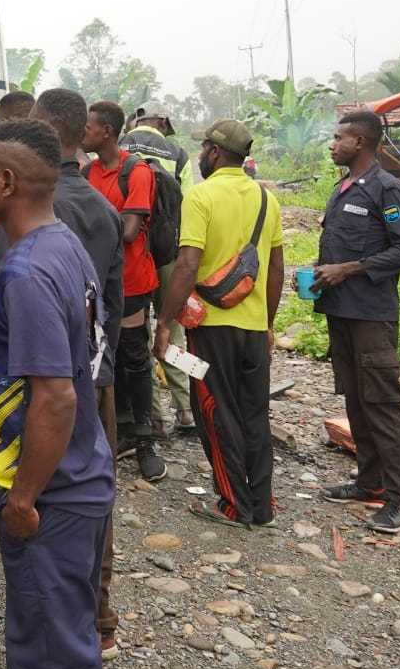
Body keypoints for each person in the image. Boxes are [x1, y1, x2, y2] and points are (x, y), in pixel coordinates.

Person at [0, 119, 115, 669]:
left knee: (58, 641)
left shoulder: (28, 271)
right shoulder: (62, 244)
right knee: (42, 625)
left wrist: (24, 496)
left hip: (52, 490)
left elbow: (55, 397)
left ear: (5, 182)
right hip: (74, 474)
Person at [30, 89, 127, 660]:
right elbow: (110, 305)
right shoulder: (101, 208)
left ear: (43, 129)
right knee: (96, 495)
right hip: (96, 376)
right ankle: (100, 616)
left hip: (46, 383)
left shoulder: (36, 210)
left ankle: (60, 627)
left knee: (39, 495)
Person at [153, 120, 286, 528]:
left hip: (211, 328)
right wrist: (267, 323)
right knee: (254, 413)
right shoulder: (267, 200)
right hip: (252, 327)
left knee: (215, 412)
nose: (200, 155)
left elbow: (188, 264)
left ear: (213, 152)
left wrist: (164, 322)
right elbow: (276, 267)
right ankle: (261, 505)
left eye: (203, 149)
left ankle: (233, 505)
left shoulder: (201, 196)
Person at [313, 110, 400, 533]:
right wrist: (323, 269)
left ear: (359, 142)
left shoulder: (387, 189)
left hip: (371, 315)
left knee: (382, 403)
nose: (332, 143)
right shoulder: (342, 188)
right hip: (341, 310)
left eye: (338, 137)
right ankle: (369, 483)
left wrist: (349, 269)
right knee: (356, 399)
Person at [82, 100, 169, 483]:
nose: (82, 131)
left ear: (106, 131)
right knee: (105, 357)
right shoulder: (87, 173)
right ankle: (117, 431)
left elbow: (131, 229)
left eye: (88, 126)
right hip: (96, 281)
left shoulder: (136, 172)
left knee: (135, 359)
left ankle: (146, 439)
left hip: (132, 283)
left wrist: (90, 225)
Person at [121, 108, 195, 439]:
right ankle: (186, 409)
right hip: (168, 254)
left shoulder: (122, 143)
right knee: (173, 330)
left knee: (138, 335)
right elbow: (189, 206)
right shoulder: (179, 155)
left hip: (133, 253)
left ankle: (151, 416)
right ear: (164, 126)